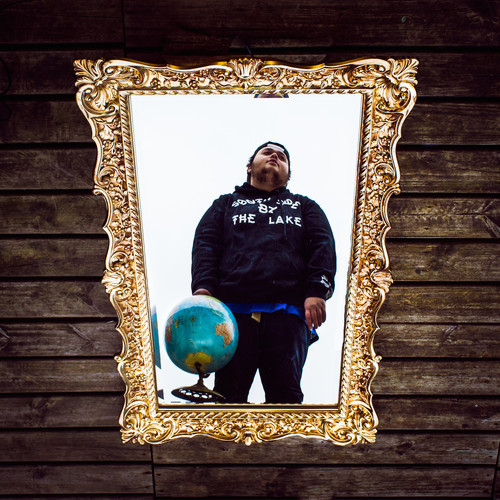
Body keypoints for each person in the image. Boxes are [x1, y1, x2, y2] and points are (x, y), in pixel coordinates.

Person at [191, 141, 336, 404]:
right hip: (231, 318)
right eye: (267, 152)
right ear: (249, 166)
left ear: (288, 174)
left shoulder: (304, 206)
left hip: (287, 315)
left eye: (282, 156)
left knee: (286, 398)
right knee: (226, 398)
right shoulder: (225, 204)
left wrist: (317, 290)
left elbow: (322, 246)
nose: (275, 156)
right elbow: (206, 245)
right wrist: (204, 288)